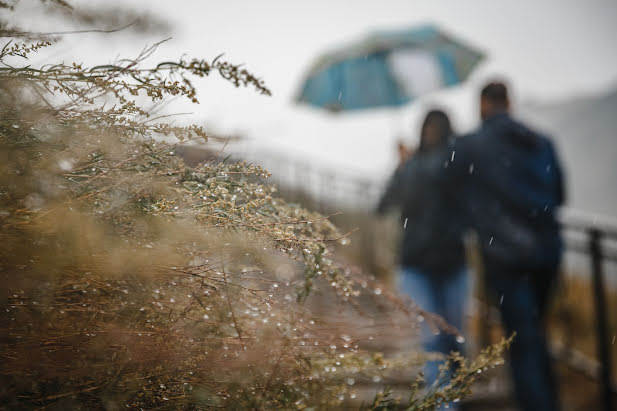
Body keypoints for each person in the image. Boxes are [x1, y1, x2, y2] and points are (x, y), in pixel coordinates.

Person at [447, 81, 565, 411]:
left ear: (483, 104)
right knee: (536, 334)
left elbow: (451, 193)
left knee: (521, 341)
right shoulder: (542, 141)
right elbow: (559, 196)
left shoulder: (470, 146)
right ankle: (551, 401)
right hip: (548, 252)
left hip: (505, 257)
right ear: (509, 102)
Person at [377, 110, 469, 393]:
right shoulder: (457, 163)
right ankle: (445, 398)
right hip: (439, 262)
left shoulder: (429, 165)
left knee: (445, 337)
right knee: (440, 338)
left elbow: (384, 206)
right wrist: (403, 166)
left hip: (425, 262)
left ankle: (449, 391)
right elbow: (384, 205)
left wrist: (404, 166)